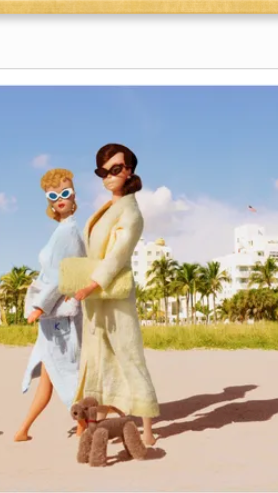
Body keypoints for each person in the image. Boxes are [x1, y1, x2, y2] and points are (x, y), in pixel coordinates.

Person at [72, 144, 160, 446]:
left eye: (114, 169)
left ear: (129, 170)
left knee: (128, 354)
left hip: (113, 292)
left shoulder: (131, 211)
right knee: (97, 356)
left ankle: (147, 429)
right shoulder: (108, 207)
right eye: (102, 171)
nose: (108, 177)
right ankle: (98, 420)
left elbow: (117, 256)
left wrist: (91, 284)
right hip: (95, 297)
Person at [14, 168, 86, 442]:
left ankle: (83, 425)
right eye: (54, 195)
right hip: (53, 318)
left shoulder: (69, 231)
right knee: (51, 373)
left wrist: (40, 307)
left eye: (65, 193)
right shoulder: (62, 230)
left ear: (74, 194)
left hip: (58, 318)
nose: (60, 199)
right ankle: (24, 429)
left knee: (67, 373)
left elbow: (61, 275)